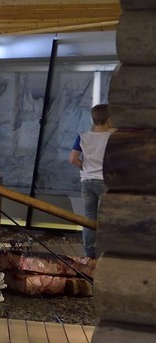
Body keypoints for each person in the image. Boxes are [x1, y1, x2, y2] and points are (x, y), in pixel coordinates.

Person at [69, 102, 114, 259]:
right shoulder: (111, 137)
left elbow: (73, 159)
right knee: (108, 218)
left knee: (89, 218)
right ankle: (106, 254)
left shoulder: (83, 137)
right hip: (105, 182)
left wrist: (85, 168)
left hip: (87, 182)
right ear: (109, 119)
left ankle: (88, 254)